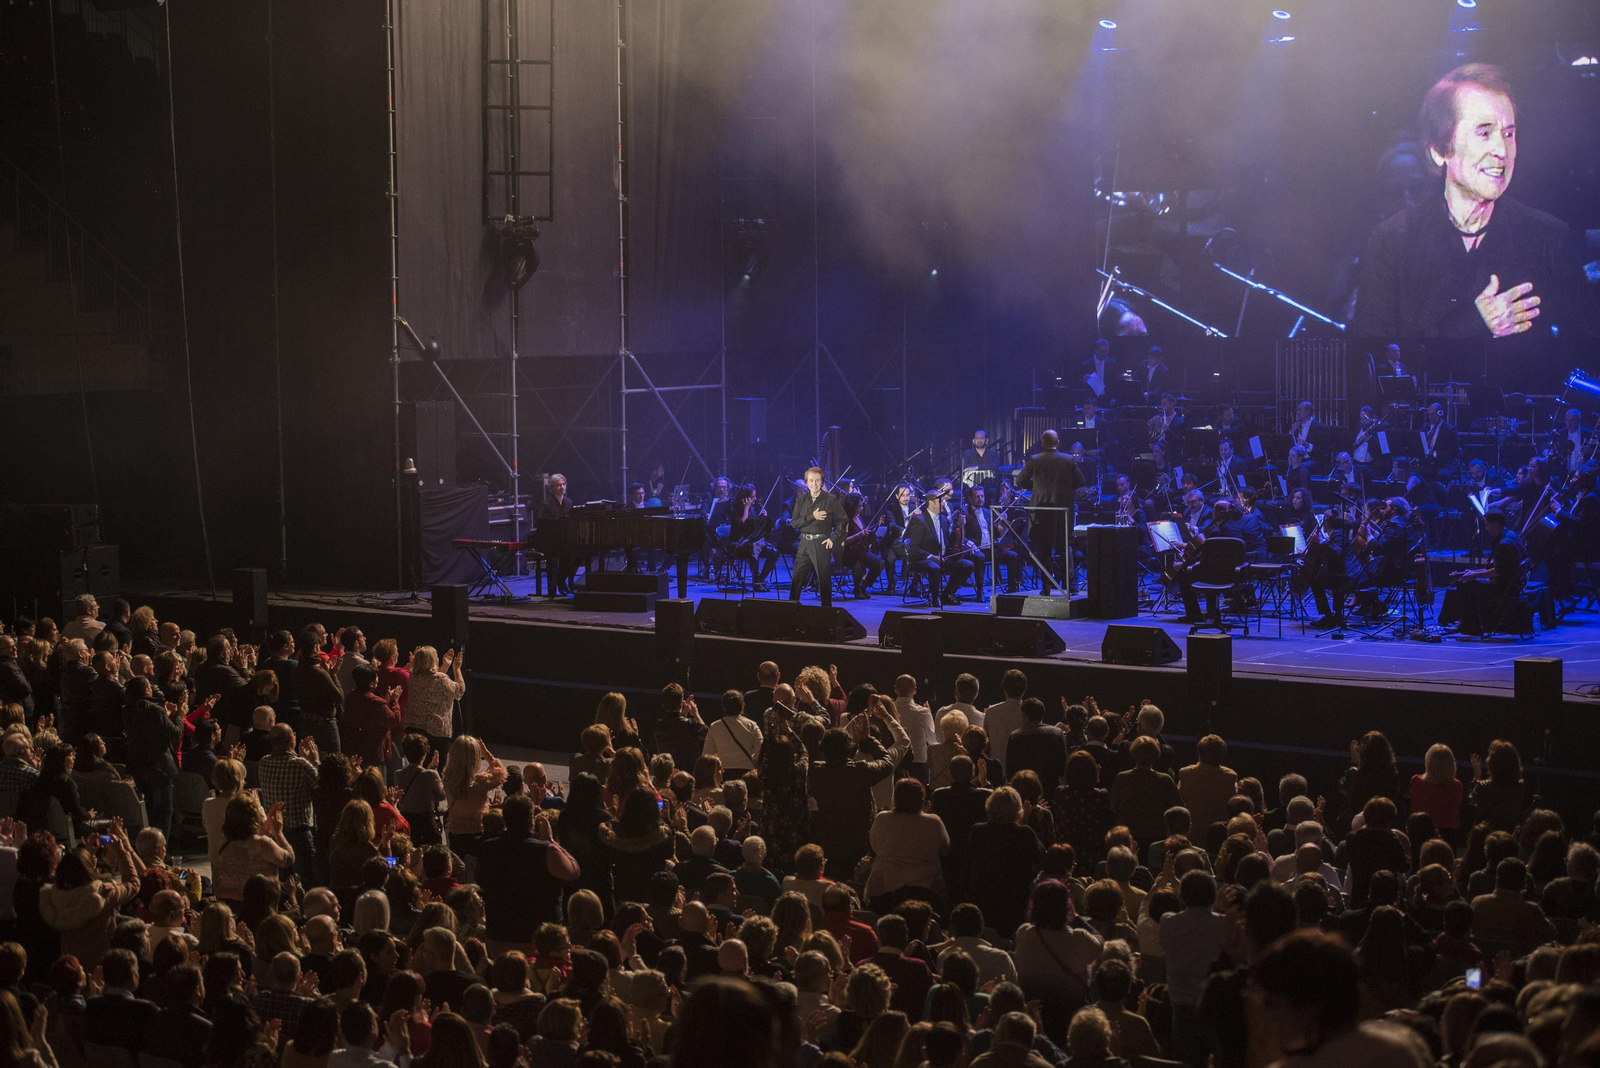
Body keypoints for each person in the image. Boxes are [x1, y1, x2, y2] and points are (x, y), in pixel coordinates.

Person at [1353, 63, 1589, 340]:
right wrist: (1472, 326)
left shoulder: (1549, 238)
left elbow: (1585, 355)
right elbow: (1370, 363)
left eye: (1508, 134)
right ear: (1440, 150)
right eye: (1484, 133)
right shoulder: (1393, 243)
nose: (1502, 150)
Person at [809, 696, 910, 879]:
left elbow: (835, 745)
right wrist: (867, 739)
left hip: (829, 834)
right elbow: (886, 762)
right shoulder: (860, 770)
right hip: (858, 836)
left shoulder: (816, 770)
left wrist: (853, 730)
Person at [967, 787, 1045, 940]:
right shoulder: (1025, 833)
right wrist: (1022, 824)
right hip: (1016, 899)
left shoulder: (978, 831)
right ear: (1017, 808)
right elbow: (1040, 855)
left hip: (984, 896)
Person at [1015, 431, 1085, 594]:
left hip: (1041, 510)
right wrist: (1064, 489)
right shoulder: (1068, 460)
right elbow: (1081, 481)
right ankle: (1071, 585)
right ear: (1058, 442)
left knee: (1044, 549)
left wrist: (1038, 488)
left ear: (1042, 442)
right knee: (1063, 547)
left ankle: (1046, 587)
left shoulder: (1035, 459)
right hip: (1062, 509)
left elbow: (1020, 481)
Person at [865, 778, 949, 913]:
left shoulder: (883, 818)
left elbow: (875, 846)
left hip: (885, 886)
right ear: (921, 800)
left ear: (895, 798)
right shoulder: (933, 822)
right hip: (924, 887)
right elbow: (944, 848)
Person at [122, 676, 185, 839]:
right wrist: (178, 715)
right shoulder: (155, 710)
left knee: (148, 808)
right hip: (159, 764)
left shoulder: (127, 709)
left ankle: (148, 847)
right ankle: (161, 849)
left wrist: (166, 714)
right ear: (146, 690)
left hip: (137, 762)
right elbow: (175, 733)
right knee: (164, 810)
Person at [787, 467, 848, 608]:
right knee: (797, 578)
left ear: (822, 483)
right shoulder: (801, 500)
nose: (814, 484)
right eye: (811, 481)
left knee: (824, 579)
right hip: (804, 542)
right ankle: (790, 609)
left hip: (821, 542)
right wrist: (812, 516)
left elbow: (843, 520)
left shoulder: (830, 499)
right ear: (806, 483)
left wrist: (833, 538)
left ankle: (826, 612)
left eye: (817, 481)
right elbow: (795, 523)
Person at [442, 736, 507, 858]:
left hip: (455, 833)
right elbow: (501, 773)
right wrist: (487, 754)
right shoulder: (480, 782)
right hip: (477, 832)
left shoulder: (447, 779)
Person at [402, 646, 465, 760]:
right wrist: (457, 668)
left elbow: (433, 682)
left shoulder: (412, 676)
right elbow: (458, 692)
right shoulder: (441, 679)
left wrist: (445, 666)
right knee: (435, 768)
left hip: (413, 728)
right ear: (432, 660)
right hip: (436, 732)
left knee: (417, 764)